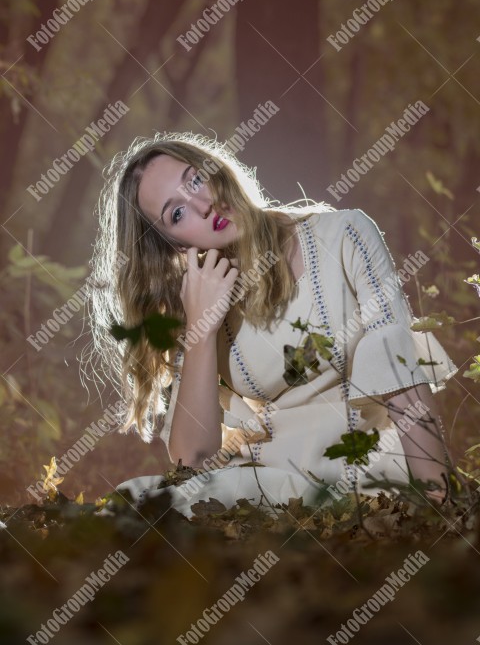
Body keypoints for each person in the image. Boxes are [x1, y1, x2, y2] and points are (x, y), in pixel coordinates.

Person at [89, 131, 457, 518]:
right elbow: (191, 458)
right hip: (273, 483)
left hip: (369, 475)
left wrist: (441, 501)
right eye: (176, 214)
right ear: (177, 245)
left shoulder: (344, 234)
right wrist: (202, 328)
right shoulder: (201, 296)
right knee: (140, 505)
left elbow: (395, 356)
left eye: (195, 179)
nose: (201, 204)